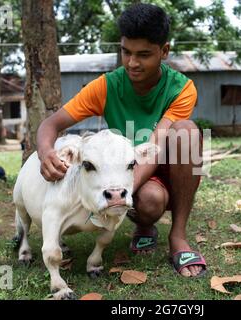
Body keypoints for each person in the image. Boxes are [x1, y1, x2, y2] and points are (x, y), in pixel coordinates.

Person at [37, 3, 206, 277]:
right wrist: (45, 151)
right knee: (150, 201)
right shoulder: (106, 86)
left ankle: (178, 236)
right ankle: (144, 225)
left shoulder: (181, 88)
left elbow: (154, 148)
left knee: (186, 131)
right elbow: (51, 124)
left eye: (144, 55)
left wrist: (117, 195)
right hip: (133, 176)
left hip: (168, 169)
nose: (132, 63)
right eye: (126, 52)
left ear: (164, 52)